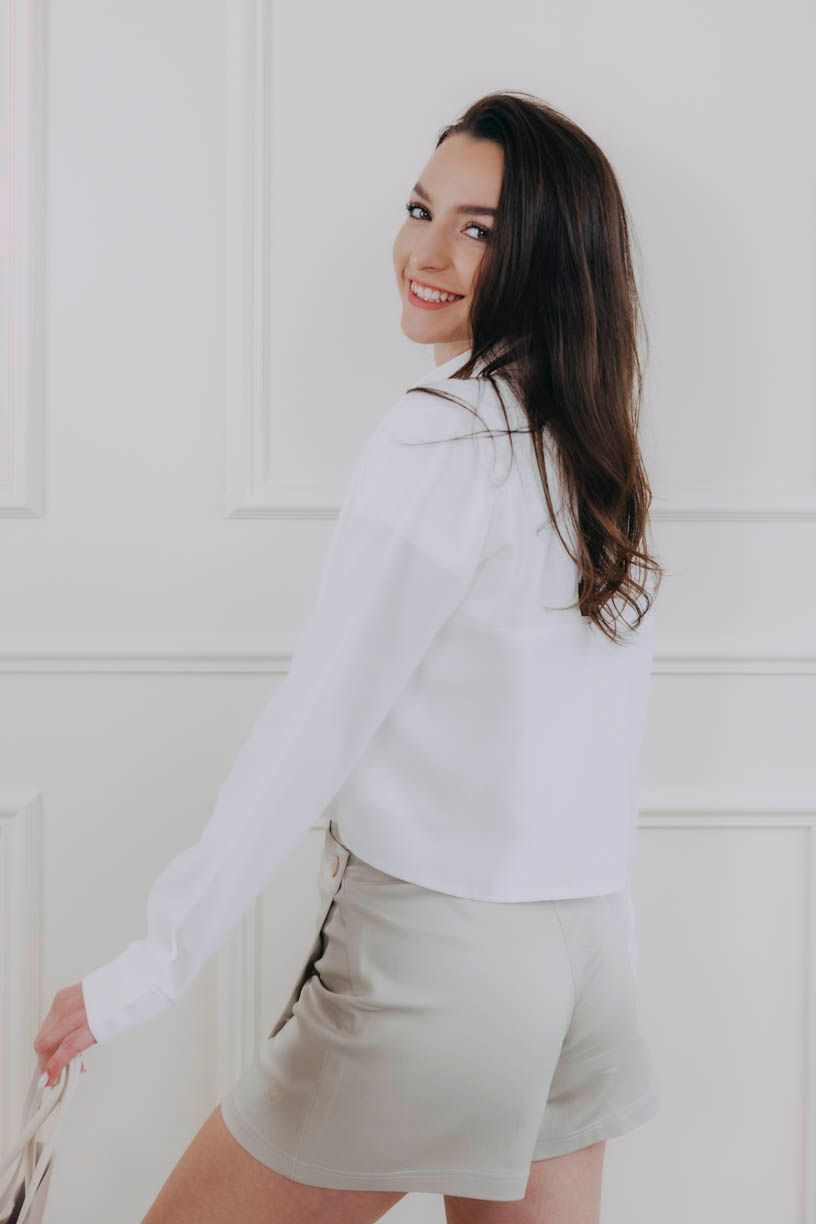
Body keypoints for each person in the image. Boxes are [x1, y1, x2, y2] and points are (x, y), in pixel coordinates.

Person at [34, 90, 664, 1222]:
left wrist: (145, 973)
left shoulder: (441, 434)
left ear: (547, 254)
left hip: (441, 970)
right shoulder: (592, 450)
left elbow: (314, 727)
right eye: (421, 210)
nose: (426, 253)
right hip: (588, 968)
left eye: (478, 228)